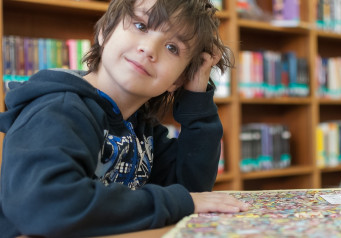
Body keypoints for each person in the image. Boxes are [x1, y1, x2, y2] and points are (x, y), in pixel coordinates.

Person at [0, 0, 248, 237]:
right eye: (141, 26)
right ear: (104, 32)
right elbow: (47, 207)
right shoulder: (58, 110)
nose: (149, 49)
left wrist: (196, 96)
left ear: (177, 80)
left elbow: (190, 190)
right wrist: (180, 201)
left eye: (173, 48)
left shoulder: (142, 129)